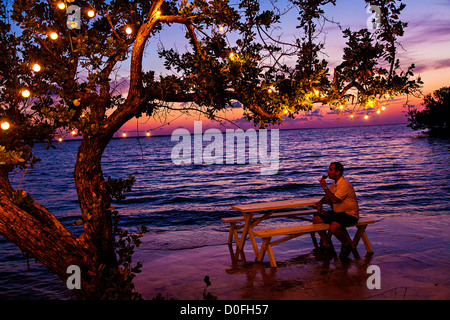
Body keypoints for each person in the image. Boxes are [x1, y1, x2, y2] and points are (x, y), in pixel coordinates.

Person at [314, 162, 359, 258]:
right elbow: (328, 197)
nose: (328, 172)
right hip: (338, 213)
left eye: (330, 170)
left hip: (350, 214)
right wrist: (320, 202)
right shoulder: (334, 184)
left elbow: (334, 200)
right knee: (316, 220)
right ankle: (327, 244)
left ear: (337, 172)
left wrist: (324, 187)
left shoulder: (344, 184)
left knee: (333, 227)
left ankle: (346, 244)